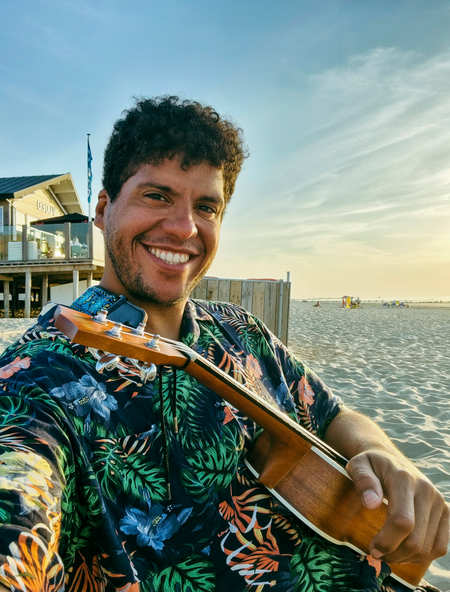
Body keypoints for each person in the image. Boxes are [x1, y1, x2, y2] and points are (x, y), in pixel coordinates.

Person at [0, 96, 448, 592]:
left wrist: (384, 454)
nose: (184, 227)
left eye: (206, 207)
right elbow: (19, 483)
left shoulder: (241, 331)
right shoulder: (37, 376)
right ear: (104, 210)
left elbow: (332, 414)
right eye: (157, 195)